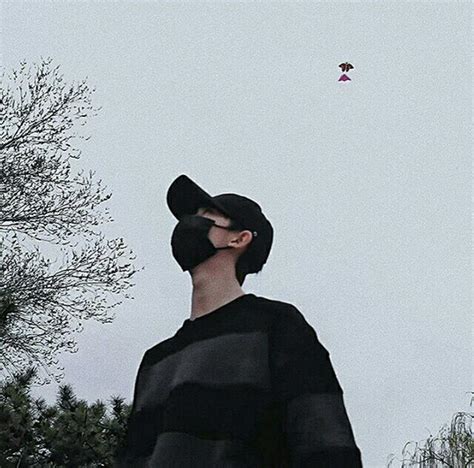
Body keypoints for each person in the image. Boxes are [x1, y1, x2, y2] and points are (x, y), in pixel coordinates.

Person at [114, 174, 363, 467]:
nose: (188, 225)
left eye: (206, 216)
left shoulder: (276, 326)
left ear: (240, 238)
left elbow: (326, 445)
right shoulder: (156, 360)